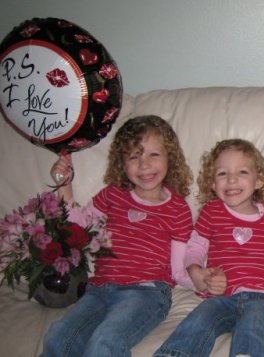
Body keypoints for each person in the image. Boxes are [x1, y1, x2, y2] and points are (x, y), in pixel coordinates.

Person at [42, 115, 194, 357]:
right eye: (134, 156)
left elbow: (178, 270)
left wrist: (202, 281)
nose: (144, 165)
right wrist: (64, 184)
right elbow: (78, 225)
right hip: (99, 288)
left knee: (104, 343)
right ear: (122, 163)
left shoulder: (178, 209)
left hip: (146, 292)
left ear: (170, 158)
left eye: (153, 155)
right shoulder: (112, 194)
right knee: (58, 337)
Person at [154, 139, 264, 357]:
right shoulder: (211, 212)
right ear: (212, 183)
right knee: (198, 321)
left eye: (242, 172)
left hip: (263, 297)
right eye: (222, 174)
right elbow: (195, 249)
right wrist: (196, 272)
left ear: (259, 180)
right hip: (219, 298)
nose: (231, 179)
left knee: (255, 326)